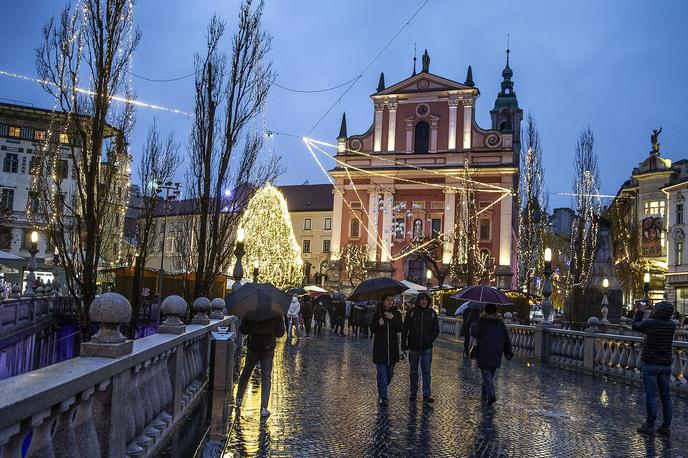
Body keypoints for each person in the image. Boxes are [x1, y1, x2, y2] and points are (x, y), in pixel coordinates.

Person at [633, 301, 676, 437]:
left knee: (651, 396)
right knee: (666, 397)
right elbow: (658, 319)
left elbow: (635, 325)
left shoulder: (650, 323)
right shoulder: (672, 325)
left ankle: (650, 425)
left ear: (658, 312)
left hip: (651, 363)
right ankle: (665, 427)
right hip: (666, 365)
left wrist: (640, 311)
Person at [235, 315, 285, 417]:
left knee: (246, 371)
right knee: (266, 377)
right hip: (268, 347)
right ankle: (264, 408)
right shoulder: (276, 311)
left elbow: (243, 330)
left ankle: (239, 398)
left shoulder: (252, 310)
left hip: (253, 346)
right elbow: (280, 333)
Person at [470, 303, 513, 406]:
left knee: (486, 374)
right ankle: (484, 396)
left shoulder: (481, 321)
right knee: (490, 374)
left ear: (485, 311)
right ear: (495, 311)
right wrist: (508, 351)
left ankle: (491, 395)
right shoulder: (500, 323)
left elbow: (474, 333)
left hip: (484, 350)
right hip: (497, 351)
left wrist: (475, 323)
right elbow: (506, 338)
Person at [401, 292, 439, 403]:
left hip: (427, 347)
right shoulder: (411, 312)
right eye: (422, 299)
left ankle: (427, 394)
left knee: (426, 371)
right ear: (418, 301)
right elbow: (405, 330)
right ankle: (413, 393)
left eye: (426, 300)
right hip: (414, 347)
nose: (424, 301)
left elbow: (436, 329)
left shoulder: (431, 313)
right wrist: (404, 344)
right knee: (413, 371)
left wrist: (430, 339)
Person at [371, 294, 404, 406]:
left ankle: (383, 386)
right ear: (383, 301)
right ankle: (383, 396)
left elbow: (400, 328)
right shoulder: (378, 314)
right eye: (388, 300)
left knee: (389, 373)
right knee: (382, 374)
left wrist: (392, 318)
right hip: (380, 349)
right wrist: (378, 324)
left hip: (392, 349)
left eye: (392, 300)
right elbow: (372, 329)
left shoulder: (396, 314)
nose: (390, 302)